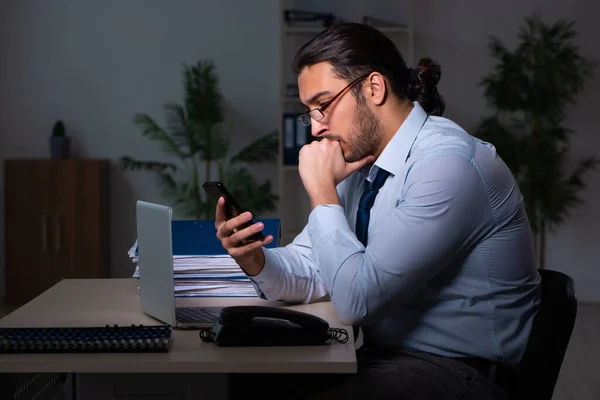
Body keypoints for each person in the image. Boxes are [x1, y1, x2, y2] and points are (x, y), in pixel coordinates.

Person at [214, 22, 541, 399]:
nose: (316, 129)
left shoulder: (449, 165)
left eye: (322, 106)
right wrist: (255, 259)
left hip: (460, 369)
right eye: (310, 113)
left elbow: (357, 301)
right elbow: (313, 270)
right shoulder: (362, 162)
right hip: (378, 352)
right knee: (246, 379)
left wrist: (322, 192)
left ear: (374, 87)